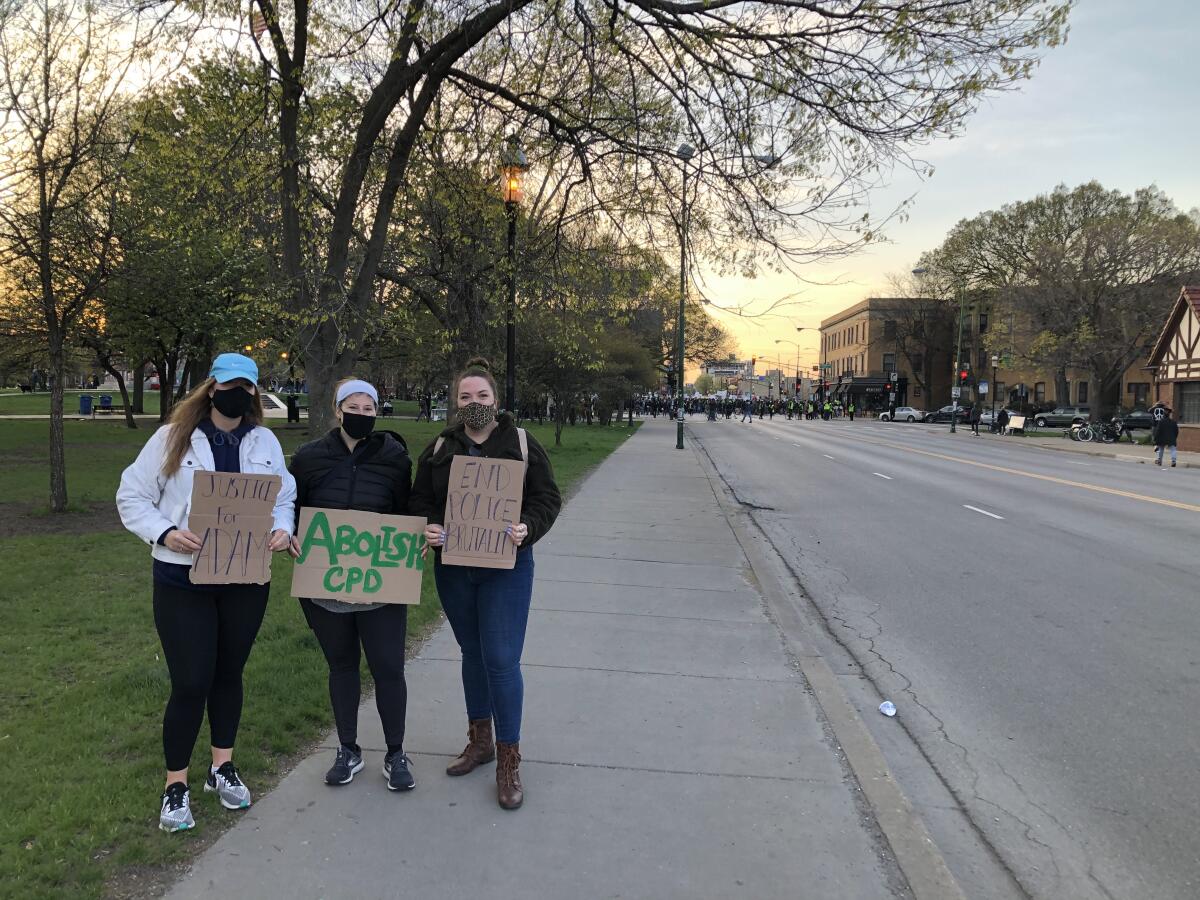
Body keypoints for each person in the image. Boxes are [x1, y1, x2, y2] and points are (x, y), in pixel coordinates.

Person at [116, 353, 296, 834]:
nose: (239, 393)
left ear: (254, 395)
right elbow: (131, 495)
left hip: (245, 579)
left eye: (248, 387)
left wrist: (282, 528)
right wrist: (166, 532)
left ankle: (222, 767)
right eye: (230, 384)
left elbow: (283, 496)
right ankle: (176, 785)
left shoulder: (264, 441)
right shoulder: (173, 437)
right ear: (212, 387)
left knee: (228, 674)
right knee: (191, 681)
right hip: (183, 580)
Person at [410, 358, 562, 810]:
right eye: (464, 397)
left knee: (500, 657)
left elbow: (546, 498)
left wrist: (526, 528)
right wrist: (429, 527)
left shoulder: (521, 442)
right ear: (454, 402)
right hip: (454, 567)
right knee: (472, 653)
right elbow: (420, 498)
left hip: (507, 568)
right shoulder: (440, 447)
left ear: (496, 400)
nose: (473, 404)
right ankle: (479, 741)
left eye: (481, 396)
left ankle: (508, 760)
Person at [288, 379, 416, 791]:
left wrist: (414, 543)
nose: (361, 413)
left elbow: (404, 512)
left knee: (388, 670)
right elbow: (293, 510)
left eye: (369, 407)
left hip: (381, 588)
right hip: (325, 589)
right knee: (341, 667)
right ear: (337, 409)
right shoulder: (308, 459)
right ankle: (348, 749)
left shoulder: (395, 459)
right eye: (353, 406)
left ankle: (396, 753)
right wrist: (287, 535)